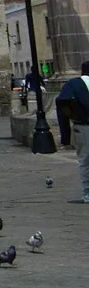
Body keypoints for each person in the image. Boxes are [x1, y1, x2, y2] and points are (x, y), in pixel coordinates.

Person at [54, 60, 89, 204]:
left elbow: (61, 103)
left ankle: (87, 194)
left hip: (83, 126)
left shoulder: (72, 85)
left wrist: (65, 135)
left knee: (85, 160)